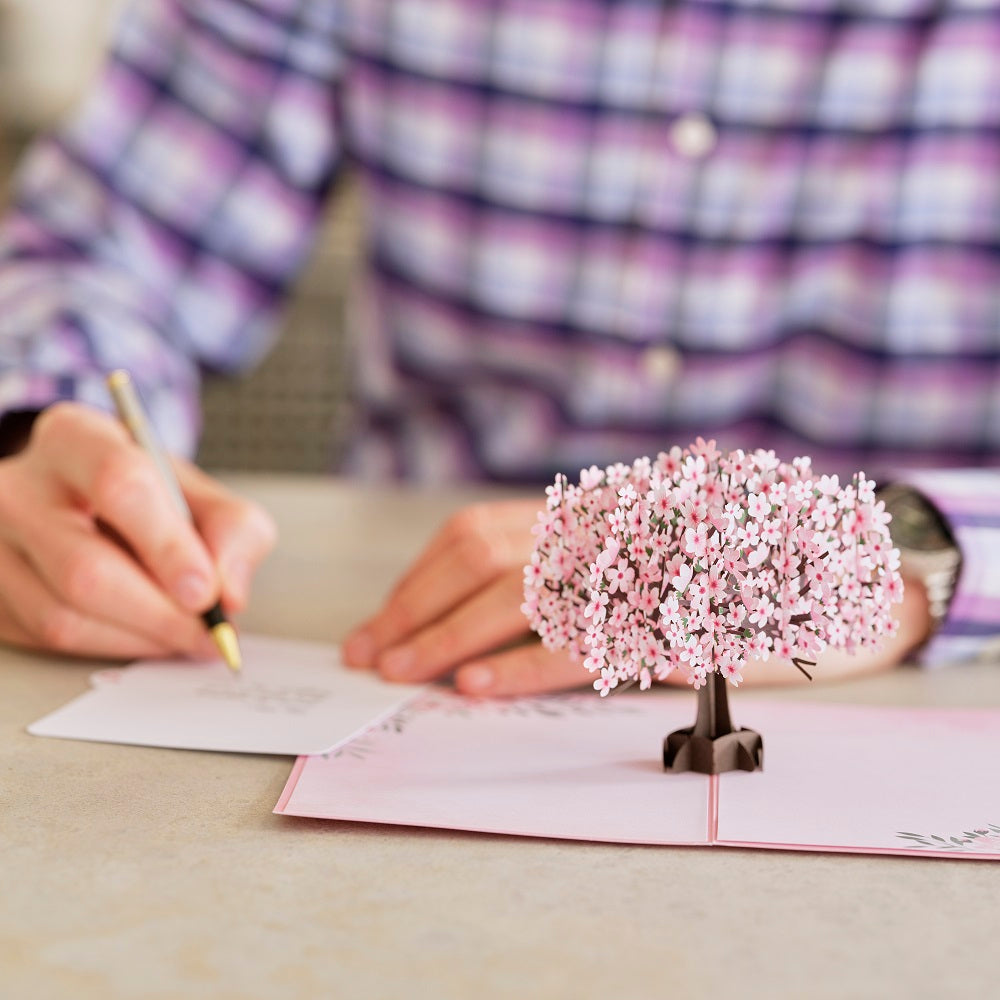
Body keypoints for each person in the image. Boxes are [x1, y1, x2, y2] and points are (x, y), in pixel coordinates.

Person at [1, 0, 998, 693]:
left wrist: (902, 557)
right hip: (407, 670)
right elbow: (104, 245)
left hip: (906, 696)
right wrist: (42, 420)